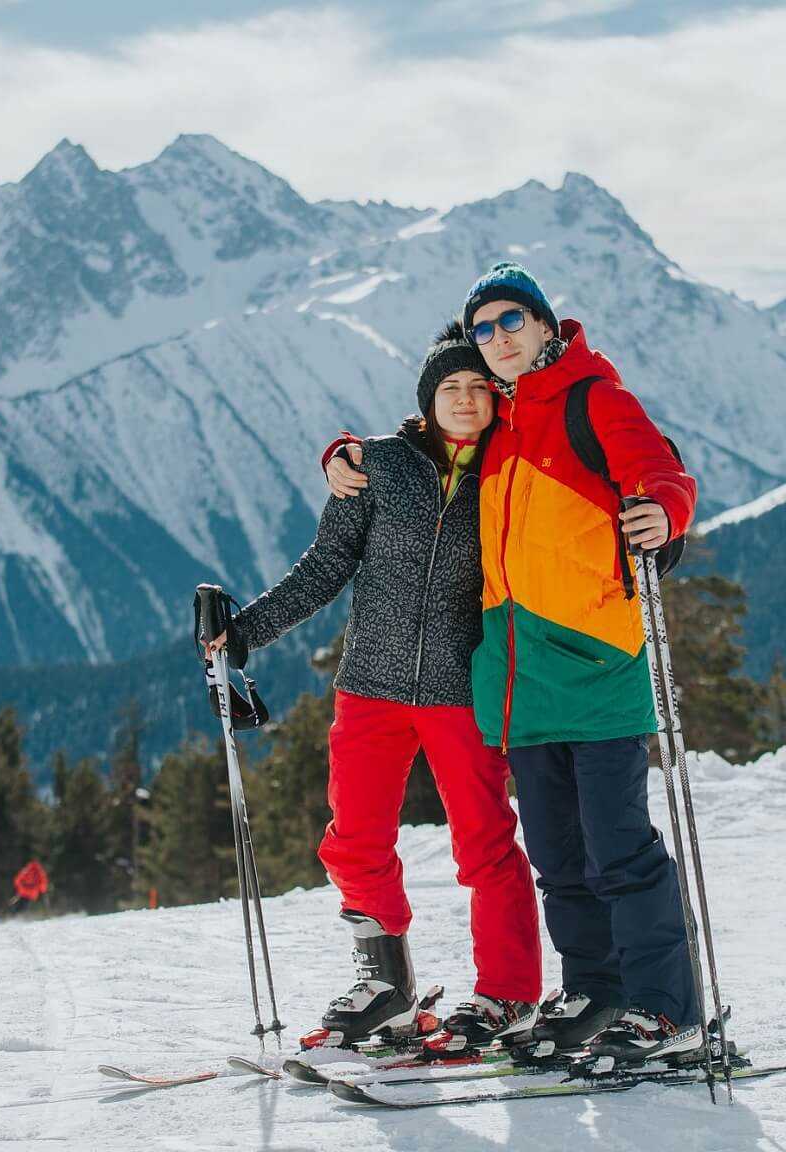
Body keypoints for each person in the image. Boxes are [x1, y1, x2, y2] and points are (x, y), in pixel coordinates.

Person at [323, 263, 702, 1063]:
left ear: (543, 324)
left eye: (510, 321)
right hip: (519, 682)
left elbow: (661, 467)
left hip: (596, 662)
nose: (498, 338)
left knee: (620, 847)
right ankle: (594, 991)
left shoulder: (594, 399)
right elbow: (425, 445)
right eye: (484, 328)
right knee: (561, 857)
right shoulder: (500, 423)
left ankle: (666, 1008)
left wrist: (662, 516)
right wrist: (344, 455)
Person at [217, 322, 542, 1053]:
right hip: (372, 685)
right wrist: (247, 630)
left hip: (463, 690)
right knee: (354, 840)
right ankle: (386, 988)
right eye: (449, 388)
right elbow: (325, 565)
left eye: (477, 388)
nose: (465, 399)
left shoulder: (510, 471)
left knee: (486, 844)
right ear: (427, 401)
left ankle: (508, 994)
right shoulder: (379, 467)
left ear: (497, 400)